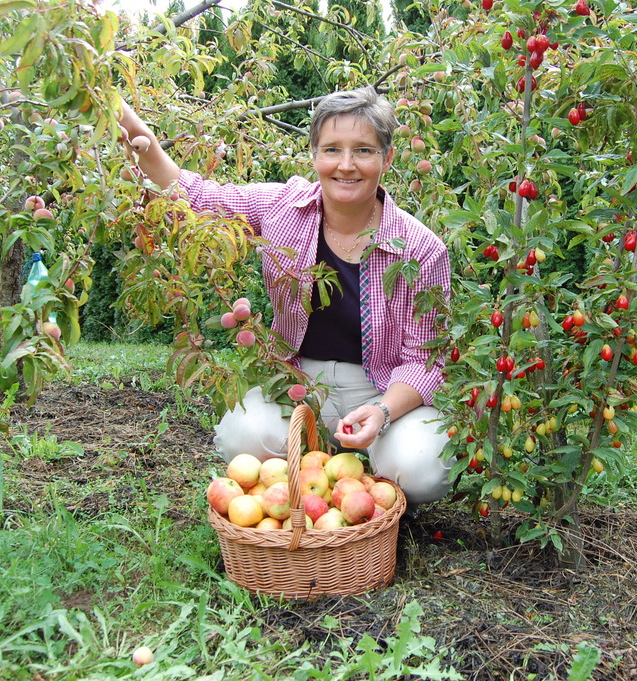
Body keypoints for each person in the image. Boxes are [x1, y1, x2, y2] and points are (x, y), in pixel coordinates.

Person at [117, 87, 452, 506]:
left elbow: (426, 359)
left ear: (386, 159)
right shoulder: (282, 208)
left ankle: (377, 498)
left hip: (381, 389)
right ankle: (315, 475)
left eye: (363, 150)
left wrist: (383, 411)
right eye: (331, 149)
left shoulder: (421, 250)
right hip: (298, 383)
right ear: (313, 155)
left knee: (422, 465)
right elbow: (195, 196)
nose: (346, 165)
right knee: (241, 437)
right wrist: (126, 121)